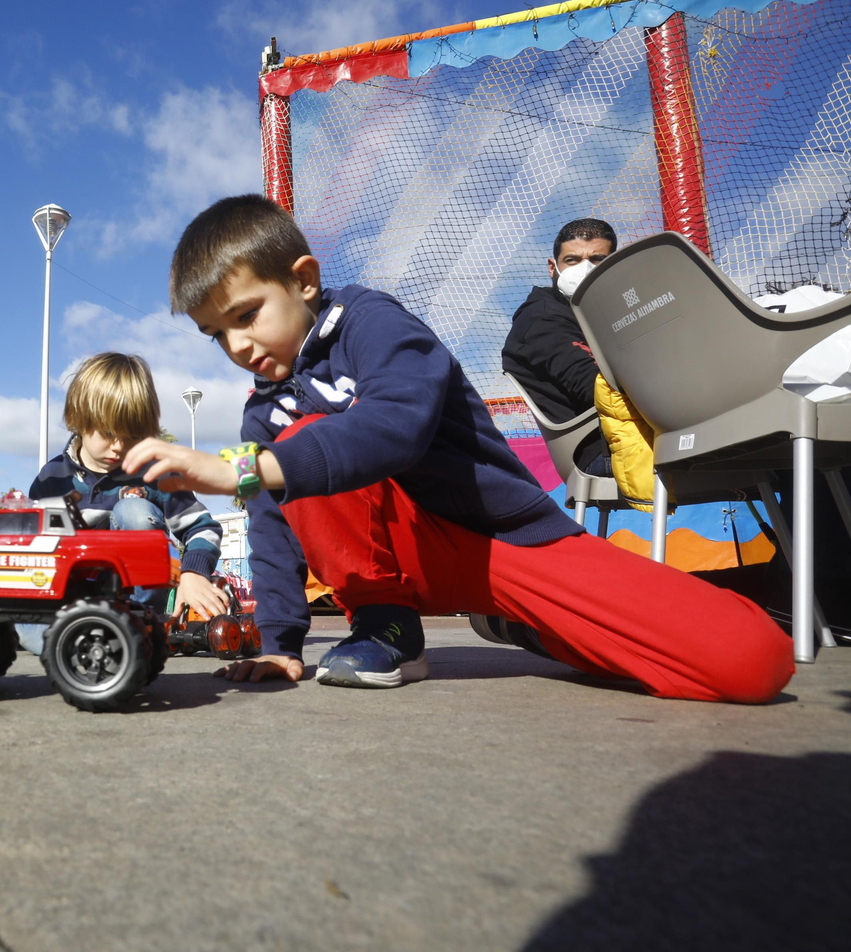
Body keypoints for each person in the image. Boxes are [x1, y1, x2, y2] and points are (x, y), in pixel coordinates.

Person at [120, 194, 793, 704]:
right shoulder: (264, 411)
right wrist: (280, 644)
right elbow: (272, 530)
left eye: (246, 315)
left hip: (499, 542)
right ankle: (386, 627)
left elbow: (393, 428)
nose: (237, 345)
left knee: (751, 661)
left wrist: (240, 469)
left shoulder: (372, 323)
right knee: (294, 443)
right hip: (397, 565)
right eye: (217, 334)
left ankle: (517, 621)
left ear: (303, 280)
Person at [18, 352, 225, 654]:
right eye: (107, 433)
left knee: (133, 510)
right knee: (22, 623)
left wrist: (193, 574)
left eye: (131, 436)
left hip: (134, 603)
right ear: (79, 419)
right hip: (71, 602)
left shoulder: (155, 473)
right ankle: (85, 644)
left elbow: (203, 528)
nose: (118, 447)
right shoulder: (54, 478)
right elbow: (30, 546)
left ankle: (139, 624)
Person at [501, 218, 617, 477]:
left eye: (598, 259)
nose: (585, 269)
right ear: (553, 268)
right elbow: (595, 388)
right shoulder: (544, 318)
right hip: (599, 451)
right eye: (572, 260)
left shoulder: (603, 314)